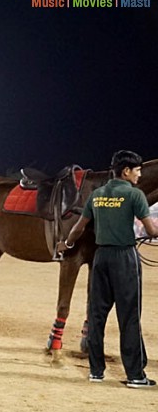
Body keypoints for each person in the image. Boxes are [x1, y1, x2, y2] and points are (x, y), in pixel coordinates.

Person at [58, 150, 158, 386]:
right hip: (124, 257)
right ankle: (134, 375)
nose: (140, 175)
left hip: (101, 257)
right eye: (137, 170)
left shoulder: (97, 195)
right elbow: (151, 231)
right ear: (126, 171)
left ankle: (96, 372)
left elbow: (79, 228)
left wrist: (68, 244)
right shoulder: (135, 195)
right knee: (129, 317)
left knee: (97, 314)